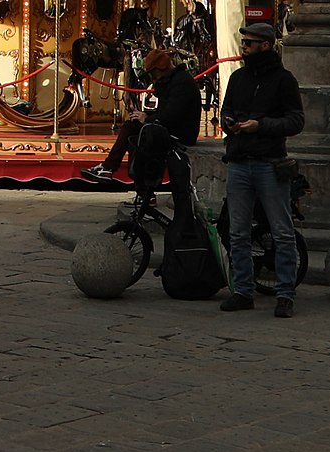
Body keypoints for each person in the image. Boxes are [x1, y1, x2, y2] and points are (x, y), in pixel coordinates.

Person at [218, 21, 306, 316]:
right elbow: (225, 110)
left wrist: (262, 126)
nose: (243, 49)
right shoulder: (238, 78)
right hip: (240, 161)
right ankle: (243, 290)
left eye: (248, 44)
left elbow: (296, 121)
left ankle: (285, 294)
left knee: (281, 232)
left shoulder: (284, 80)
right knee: (238, 232)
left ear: (264, 46)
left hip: (269, 163)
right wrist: (229, 123)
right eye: (243, 44)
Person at [88, 43, 200, 221]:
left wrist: (147, 119)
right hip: (170, 126)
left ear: (161, 69)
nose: (152, 78)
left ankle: (112, 169)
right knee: (132, 130)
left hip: (180, 133)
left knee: (138, 134)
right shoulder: (171, 81)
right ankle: (117, 173)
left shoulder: (182, 83)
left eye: (153, 73)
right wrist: (145, 117)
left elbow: (173, 114)